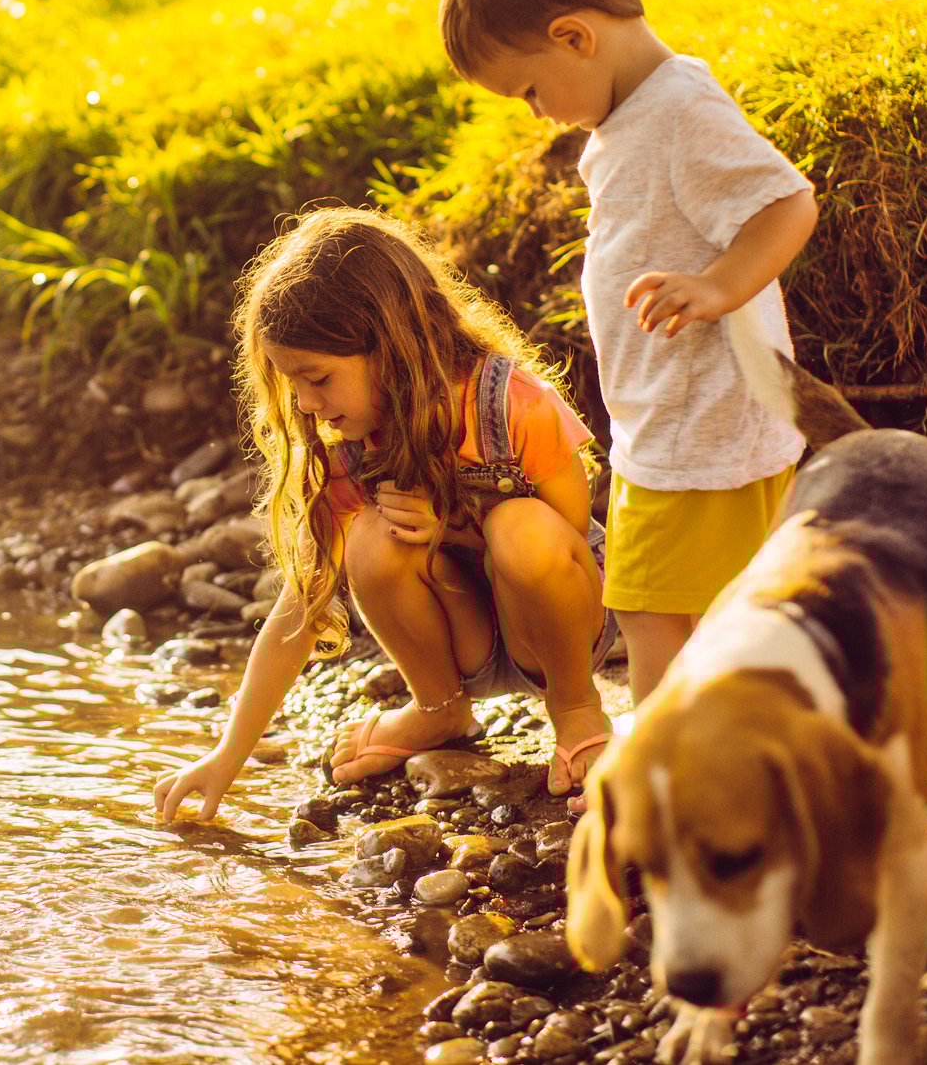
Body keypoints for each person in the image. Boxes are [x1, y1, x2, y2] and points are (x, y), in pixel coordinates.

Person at [438, 0, 817, 705]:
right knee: (678, 609)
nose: (536, 112)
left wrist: (717, 287)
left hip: (708, 429)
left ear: (575, 36)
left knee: (654, 608)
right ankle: (711, 750)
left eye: (531, 89)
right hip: (668, 426)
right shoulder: (634, 117)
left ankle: (673, 770)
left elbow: (786, 204)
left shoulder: (680, 110)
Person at [153, 208, 616, 825]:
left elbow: (568, 550)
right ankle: (440, 707)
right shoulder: (353, 449)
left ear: (393, 346)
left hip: (558, 632)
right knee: (369, 537)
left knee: (518, 526)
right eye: (294, 386)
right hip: (469, 637)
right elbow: (302, 606)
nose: (308, 405)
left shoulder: (513, 405)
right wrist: (227, 754)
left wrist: (455, 524)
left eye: (318, 379)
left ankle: (577, 708)